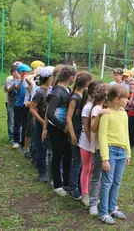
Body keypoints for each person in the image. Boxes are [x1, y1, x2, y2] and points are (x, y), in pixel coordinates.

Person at [98, 84, 131, 225]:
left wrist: (128, 153)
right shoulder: (106, 115)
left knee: (116, 182)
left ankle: (112, 208)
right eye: (126, 98)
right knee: (107, 182)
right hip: (110, 152)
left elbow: (126, 134)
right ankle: (103, 212)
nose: (127, 101)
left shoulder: (124, 113)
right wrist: (105, 158)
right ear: (117, 99)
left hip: (122, 152)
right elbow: (102, 137)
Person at [47, 65, 77, 197]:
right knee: (57, 155)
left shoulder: (67, 89)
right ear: (70, 77)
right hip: (56, 129)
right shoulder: (57, 91)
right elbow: (50, 113)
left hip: (65, 129)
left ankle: (66, 182)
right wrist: (62, 127)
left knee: (68, 155)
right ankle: (57, 184)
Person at [66, 72, 93, 201]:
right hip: (75, 135)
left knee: (83, 164)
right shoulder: (75, 98)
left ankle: (80, 186)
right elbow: (69, 118)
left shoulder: (84, 97)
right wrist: (72, 136)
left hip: (81, 134)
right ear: (87, 84)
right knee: (77, 163)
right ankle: (73, 188)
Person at [78, 80, 103, 206]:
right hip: (86, 143)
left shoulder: (97, 106)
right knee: (87, 168)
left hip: (95, 143)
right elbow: (87, 129)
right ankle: (85, 194)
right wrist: (91, 143)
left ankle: (94, 193)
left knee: (95, 169)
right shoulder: (88, 107)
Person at [89, 83, 111, 216]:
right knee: (96, 176)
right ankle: (93, 203)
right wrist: (99, 115)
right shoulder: (97, 109)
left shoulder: (111, 109)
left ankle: (103, 201)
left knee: (106, 178)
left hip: (109, 148)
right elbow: (93, 127)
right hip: (98, 147)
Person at [29, 67, 53, 183]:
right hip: (40, 125)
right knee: (41, 147)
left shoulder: (52, 90)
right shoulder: (40, 92)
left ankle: (49, 170)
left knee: (49, 147)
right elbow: (32, 108)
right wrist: (42, 121)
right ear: (48, 78)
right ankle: (42, 172)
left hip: (51, 124)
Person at [13, 64, 33, 149]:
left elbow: (31, 89)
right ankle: (16, 141)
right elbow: (17, 87)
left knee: (25, 124)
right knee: (17, 123)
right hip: (18, 105)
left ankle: (23, 142)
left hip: (26, 105)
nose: (28, 73)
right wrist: (22, 79)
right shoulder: (17, 81)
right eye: (26, 72)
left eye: (28, 72)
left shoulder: (29, 80)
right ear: (21, 72)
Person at [4, 63, 21, 145]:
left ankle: (19, 137)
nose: (20, 73)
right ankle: (11, 138)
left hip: (20, 103)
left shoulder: (22, 79)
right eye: (18, 71)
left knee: (19, 121)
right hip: (10, 102)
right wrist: (16, 82)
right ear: (13, 72)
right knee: (11, 120)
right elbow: (8, 89)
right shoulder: (9, 79)